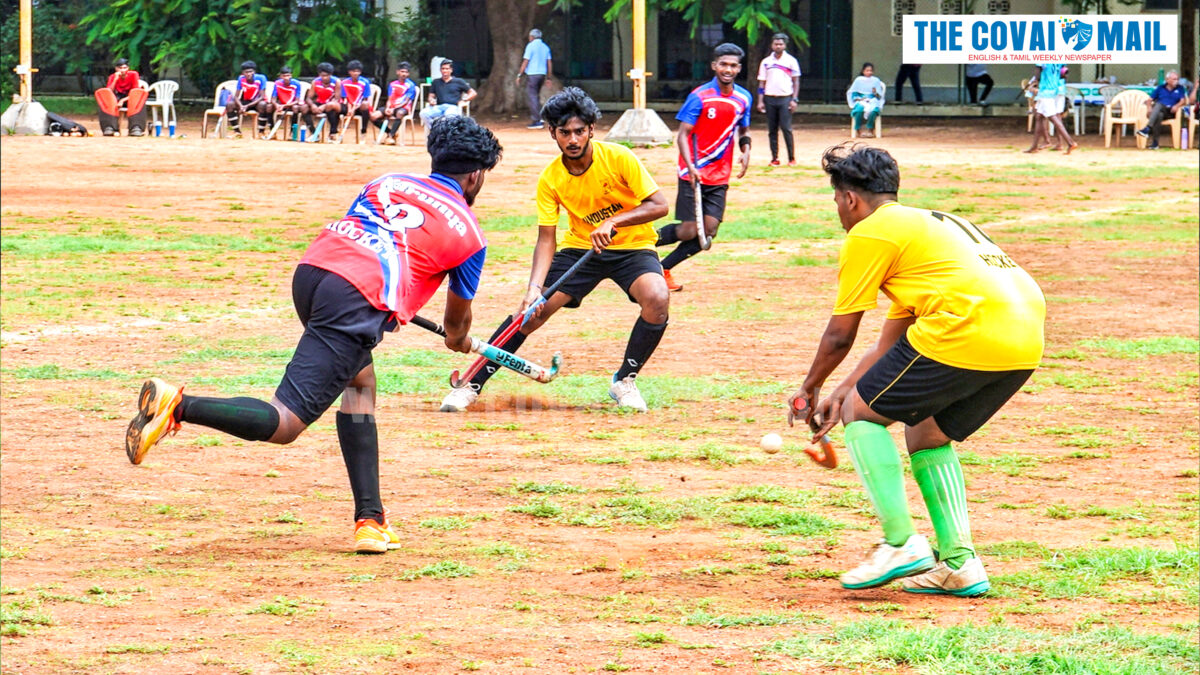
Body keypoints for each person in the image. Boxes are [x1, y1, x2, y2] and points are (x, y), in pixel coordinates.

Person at [124, 117, 502, 554]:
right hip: (355, 299)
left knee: (360, 385)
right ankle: (178, 405)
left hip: (313, 274)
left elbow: (373, 234)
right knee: (285, 423)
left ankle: (371, 519)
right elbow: (457, 323)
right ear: (476, 175)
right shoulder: (470, 234)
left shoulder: (388, 181)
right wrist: (457, 339)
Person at [790, 143, 1045, 597]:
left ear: (850, 198)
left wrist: (811, 387)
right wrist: (845, 387)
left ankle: (901, 543)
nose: (839, 212)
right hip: (1023, 337)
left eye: (836, 201)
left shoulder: (871, 232)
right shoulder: (930, 226)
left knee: (862, 417)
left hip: (966, 327)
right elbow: (891, 342)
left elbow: (839, 335)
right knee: (926, 433)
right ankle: (960, 565)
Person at [439, 87, 670, 414]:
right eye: (564, 133)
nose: (573, 139)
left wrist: (615, 221)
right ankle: (470, 384)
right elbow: (546, 237)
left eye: (579, 131)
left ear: (591, 129)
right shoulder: (551, 178)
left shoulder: (619, 157)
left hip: (633, 248)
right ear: (552, 133)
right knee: (529, 316)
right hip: (581, 250)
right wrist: (534, 290)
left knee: (657, 298)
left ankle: (625, 381)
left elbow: (659, 205)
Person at [656, 43, 752, 292]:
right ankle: (636, 242)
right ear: (714, 66)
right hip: (693, 173)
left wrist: (746, 149)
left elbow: (743, 128)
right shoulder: (699, 96)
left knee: (707, 232)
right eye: (723, 64)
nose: (728, 69)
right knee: (689, 230)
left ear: (739, 68)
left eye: (733, 65)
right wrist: (691, 167)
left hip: (720, 175)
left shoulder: (744, 98)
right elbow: (682, 135)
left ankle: (662, 269)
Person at [756, 33, 801, 166]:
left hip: (785, 98)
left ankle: (791, 158)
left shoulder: (791, 61)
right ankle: (774, 158)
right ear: (772, 45)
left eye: (780, 44)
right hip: (770, 98)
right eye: (776, 44)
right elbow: (761, 83)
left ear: (785, 45)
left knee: (786, 128)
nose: (778, 46)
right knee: (772, 130)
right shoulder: (766, 62)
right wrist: (760, 100)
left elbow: (796, 81)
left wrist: (794, 99)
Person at [1024, 63, 1077, 154]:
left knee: (1053, 117)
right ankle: (1034, 146)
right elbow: (1064, 73)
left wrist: (1033, 85)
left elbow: (1038, 75)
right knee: (1039, 116)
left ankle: (1070, 142)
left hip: (1045, 91)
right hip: (1055, 89)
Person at [94, 58, 148, 137]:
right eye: (120, 68)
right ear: (116, 69)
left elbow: (136, 91)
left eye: (124, 68)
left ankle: (136, 127)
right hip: (118, 96)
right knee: (107, 98)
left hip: (130, 97)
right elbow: (109, 91)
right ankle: (110, 127)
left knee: (136, 96)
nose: (122, 70)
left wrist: (122, 100)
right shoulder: (112, 76)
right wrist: (115, 80)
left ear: (128, 68)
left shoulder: (133, 74)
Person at [1137, 70, 1188, 150]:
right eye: (1174, 79)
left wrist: (1177, 106)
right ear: (1167, 80)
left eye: (1177, 79)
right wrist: (1149, 108)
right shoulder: (1160, 88)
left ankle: (1147, 128)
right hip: (1160, 112)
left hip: (1171, 112)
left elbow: (1183, 100)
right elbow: (1149, 100)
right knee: (1159, 114)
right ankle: (1155, 143)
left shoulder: (1180, 88)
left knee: (1158, 105)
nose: (1176, 81)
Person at [372, 61, 419, 144]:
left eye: (406, 72)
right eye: (402, 71)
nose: (404, 74)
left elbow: (406, 101)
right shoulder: (392, 84)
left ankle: (390, 136)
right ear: (397, 72)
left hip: (403, 107)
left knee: (399, 113)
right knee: (374, 116)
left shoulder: (410, 85)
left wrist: (393, 109)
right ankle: (390, 132)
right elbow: (389, 99)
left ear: (408, 74)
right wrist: (388, 108)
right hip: (392, 107)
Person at [419, 60, 476, 127]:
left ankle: (443, 132)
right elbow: (431, 96)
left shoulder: (458, 81)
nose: (445, 71)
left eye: (447, 69)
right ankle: (435, 130)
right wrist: (431, 100)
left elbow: (473, 93)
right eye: (443, 69)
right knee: (423, 113)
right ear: (440, 70)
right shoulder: (436, 82)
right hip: (438, 107)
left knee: (448, 116)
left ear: (451, 70)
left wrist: (464, 100)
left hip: (453, 107)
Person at [516, 29, 553, 130]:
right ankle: (540, 117)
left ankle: (536, 120)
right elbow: (549, 63)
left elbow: (526, 61)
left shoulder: (530, 46)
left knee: (532, 96)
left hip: (532, 74)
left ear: (532, 37)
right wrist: (549, 77)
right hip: (542, 74)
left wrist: (519, 74)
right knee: (536, 96)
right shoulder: (545, 47)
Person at [226, 61, 271, 138]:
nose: (248, 74)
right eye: (246, 72)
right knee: (229, 105)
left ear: (254, 72)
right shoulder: (241, 78)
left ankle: (261, 132)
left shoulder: (261, 78)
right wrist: (241, 106)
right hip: (246, 101)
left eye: (251, 72)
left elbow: (262, 96)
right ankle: (237, 131)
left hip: (257, 101)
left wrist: (246, 106)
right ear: (243, 73)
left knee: (263, 105)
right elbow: (236, 96)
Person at [847, 63, 885, 138]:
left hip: (872, 100)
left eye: (871, 71)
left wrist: (875, 93)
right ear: (863, 71)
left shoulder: (876, 80)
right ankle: (858, 130)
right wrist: (860, 99)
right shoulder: (858, 80)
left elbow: (879, 96)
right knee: (858, 110)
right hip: (861, 100)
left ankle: (870, 129)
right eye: (867, 70)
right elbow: (853, 93)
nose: (869, 72)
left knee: (874, 110)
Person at [306, 63, 342, 141]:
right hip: (320, 102)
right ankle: (314, 133)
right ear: (319, 74)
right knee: (304, 108)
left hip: (332, 104)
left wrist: (324, 106)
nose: (324, 78)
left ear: (330, 74)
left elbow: (337, 99)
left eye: (327, 75)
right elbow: (308, 98)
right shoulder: (315, 82)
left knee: (330, 106)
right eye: (322, 75)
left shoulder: (336, 82)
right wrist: (313, 105)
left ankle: (332, 133)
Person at [266, 66, 304, 137]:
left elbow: (297, 101)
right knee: (269, 107)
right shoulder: (277, 83)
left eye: (288, 75)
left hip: (292, 105)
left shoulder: (297, 84)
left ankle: (293, 132)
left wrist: (284, 106)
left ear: (291, 75)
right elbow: (273, 99)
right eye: (284, 76)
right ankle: (272, 131)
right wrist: (276, 105)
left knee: (295, 108)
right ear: (280, 76)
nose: (286, 78)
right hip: (281, 104)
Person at [339, 60, 373, 139]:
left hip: (359, 106)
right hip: (348, 105)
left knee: (365, 105)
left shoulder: (365, 82)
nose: (355, 73)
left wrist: (355, 108)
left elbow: (365, 99)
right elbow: (345, 98)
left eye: (357, 71)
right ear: (349, 72)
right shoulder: (344, 83)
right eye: (353, 71)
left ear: (360, 72)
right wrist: (350, 109)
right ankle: (334, 133)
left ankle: (363, 131)